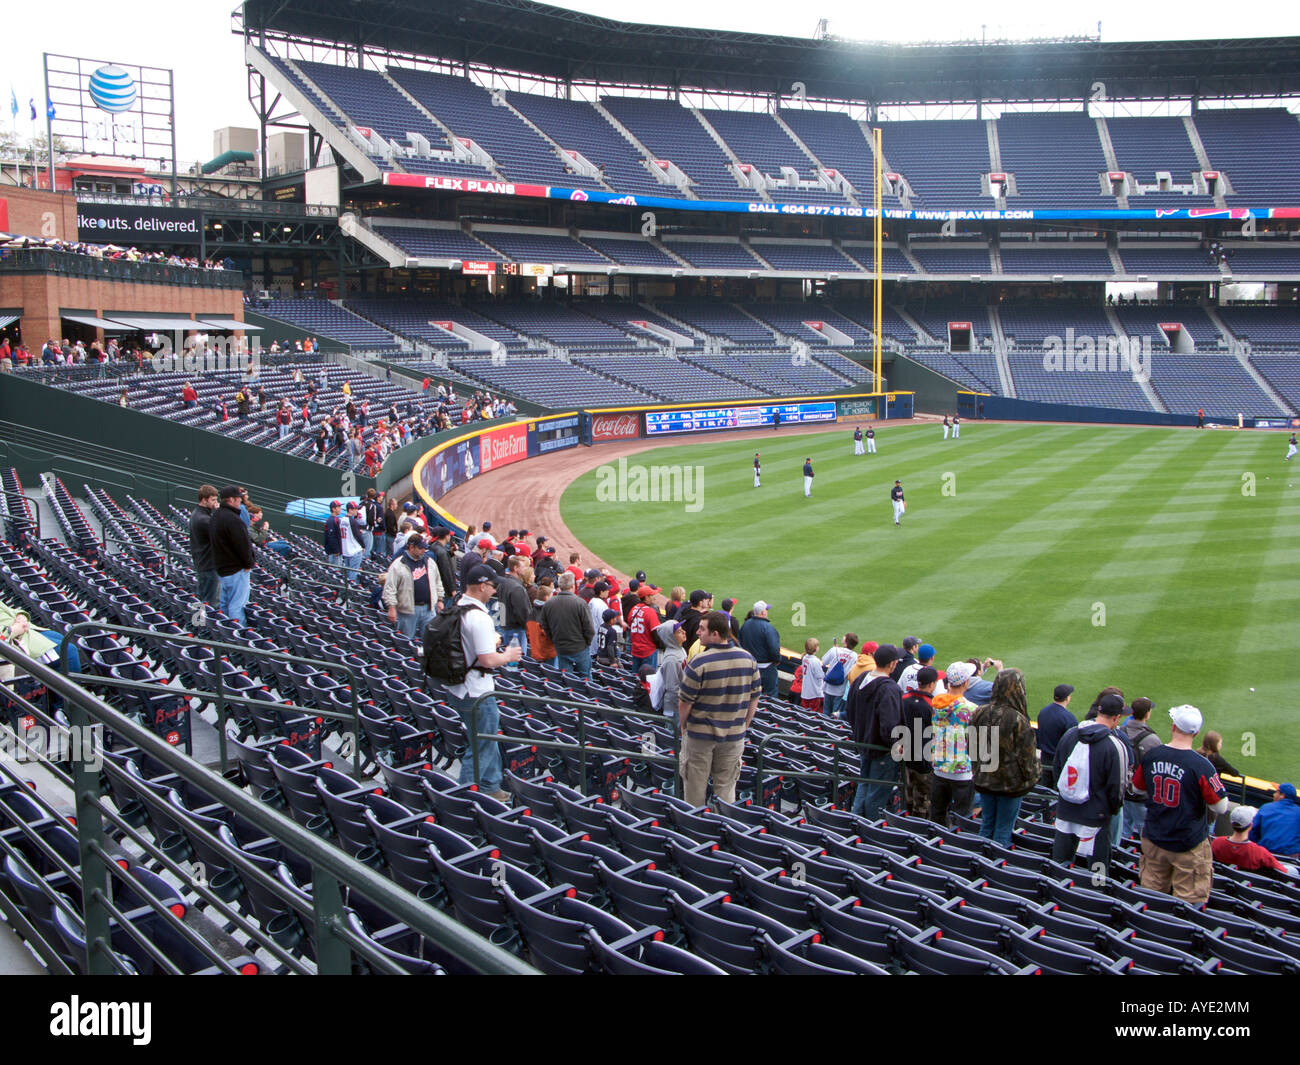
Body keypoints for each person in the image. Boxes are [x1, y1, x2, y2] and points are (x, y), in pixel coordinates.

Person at [1131, 705, 1228, 905]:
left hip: (1155, 837)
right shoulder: (1202, 765)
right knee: (1188, 903)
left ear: (1173, 726)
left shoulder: (1153, 755)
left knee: (1151, 898)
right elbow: (1221, 807)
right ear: (1197, 733)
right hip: (1188, 843)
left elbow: (1137, 789)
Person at [447, 564, 522, 802]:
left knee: (486, 741)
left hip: (459, 687)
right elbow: (488, 659)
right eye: (491, 586)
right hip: (476, 692)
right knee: (481, 745)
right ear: (482, 586)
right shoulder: (479, 616)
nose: (493, 590)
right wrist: (508, 656)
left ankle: (491, 787)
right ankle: (463, 802)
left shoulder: (459, 606)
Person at [677, 612, 761, 807]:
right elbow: (754, 698)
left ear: (715, 634)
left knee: (694, 792)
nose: (697, 633)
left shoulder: (699, 662)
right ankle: (723, 830)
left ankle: (696, 831)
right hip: (733, 737)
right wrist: (744, 725)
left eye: (702, 629)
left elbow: (684, 703)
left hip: (699, 738)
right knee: (726, 791)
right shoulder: (749, 660)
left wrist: (684, 727)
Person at [1050, 692, 1130, 875]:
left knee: (1059, 865)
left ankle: (1058, 895)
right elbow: (1117, 789)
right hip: (1097, 818)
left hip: (1066, 811)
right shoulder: (1115, 745)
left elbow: (1057, 768)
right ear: (1117, 718)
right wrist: (1109, 810)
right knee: (1098, 872)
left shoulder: (1071, 734)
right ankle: (1097, 898)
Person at [972, 668, 1040, 847]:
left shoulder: (980, 712)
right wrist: (1031, 778)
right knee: (1002, 830)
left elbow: (972, 748)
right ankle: (993, 870)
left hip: (985, 781)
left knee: (987, 825)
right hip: (1009, 786)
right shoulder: (1017, 719)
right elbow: (1027, 758)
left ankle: (980, 864)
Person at [845, 643, 903, 819]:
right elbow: (890, 724)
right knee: (875, 794)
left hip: (864, 743)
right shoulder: (889, 688)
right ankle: (868, 830)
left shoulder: (861, 679)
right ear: (892, 664)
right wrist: (896, 745)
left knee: (865, 785)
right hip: (881, 750)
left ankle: (856, 822)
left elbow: (849, 711)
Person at [928, 660, 979, 827]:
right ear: (965, 682)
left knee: (937, 814)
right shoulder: (971, 709)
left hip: (939, 768)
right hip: (962, 771)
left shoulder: (937, 704)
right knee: (962, 817)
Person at [210, 486, 254, 626]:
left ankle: (224, 637)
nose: (240, 500)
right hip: (235, 569)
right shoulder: (232, 519)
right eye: (238, 498)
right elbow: (242, 545)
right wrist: (248, 564)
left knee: (225, 606)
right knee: (236, 607)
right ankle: (239, 642)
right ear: (231, 499)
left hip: (222, 569)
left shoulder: (216, 515)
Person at [1119, 697, 1163, 839]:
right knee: (1145, 835)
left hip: (1121, 790)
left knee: (1122, 831)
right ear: (1147, 714)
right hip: (1141, 795)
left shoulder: (1119, 731)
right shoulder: (1153, 740)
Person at [383, 534, 441, 639]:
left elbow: (437, 582)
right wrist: (391, 607)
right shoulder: (398, 564)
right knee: (405, 641)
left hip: (429, 608)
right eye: (420, 548)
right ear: (411, 547)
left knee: (430, 641)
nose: (423, 550)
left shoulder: (429, 561)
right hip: (408, 610)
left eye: (424, 547)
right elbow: (390, 588)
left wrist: (440, 600)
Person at [899, 666, 936, 818]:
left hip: (904, 755)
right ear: (932, 684)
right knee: (922, 801)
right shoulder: (932, 705)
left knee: (907, 794)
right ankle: (917, 831)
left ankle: (906, 823)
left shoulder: (904, 699)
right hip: (923, 760)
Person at [541, 572, 595, 677]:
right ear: (572, 586)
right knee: (586, 679)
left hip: (561, 647)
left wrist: (554, 640)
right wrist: (586, 643)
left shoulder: (549, 604)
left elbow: (545, 626)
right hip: (580, 648)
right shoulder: (580, 603)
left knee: (567, 680)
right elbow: (589, 629)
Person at [1213, 807, 1293, 875]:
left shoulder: (1217, 843)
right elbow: (1284, 872)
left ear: (1232, 823)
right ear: (1251, 825)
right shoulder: (1259, 852)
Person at [738, 600, 781, 697]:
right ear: (763, 612)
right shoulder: (768, 628)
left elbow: (739, 642)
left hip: (749, 666)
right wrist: (777, 659)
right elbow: (774, 648)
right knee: (770, 696)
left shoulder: (745, 625)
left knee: (751, 695)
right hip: (766, 669)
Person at [1036, 683, 1077, 785]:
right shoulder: (1069, 718)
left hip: (1044, 756)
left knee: (1045, 785)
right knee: (1058, 786)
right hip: (1059, 759)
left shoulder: (1043, 711)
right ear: (1067, 698)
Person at [495, 555, 532, 664]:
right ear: (516, 568)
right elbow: (522, 613)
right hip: (516, 630)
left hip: (505, 626)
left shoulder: (503, 583)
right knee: (517, 662)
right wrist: (528, 627)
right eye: (523, 567)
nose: (525, 569)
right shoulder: (516, 587)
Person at [1249, 783, 1300, 859]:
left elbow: (1253, 834)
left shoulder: (1266, 808)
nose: (1273, 794)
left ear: (1282, 795)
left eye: (1276, 792)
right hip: (1291, 858)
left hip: (1265, 855)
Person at [189, 485, 220, 610]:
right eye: (212, 500)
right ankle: (200, 626)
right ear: (204, 500)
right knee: (208, 602)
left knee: (202, 599)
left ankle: (198, 625)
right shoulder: (203, 519)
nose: (215, 503)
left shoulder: (198, 514)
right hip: (208, 565)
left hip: (204, 563)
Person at [654, 620, 689, 718]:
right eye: (679, 632)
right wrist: (685, 706)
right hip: (675, 709)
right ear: (671, 637)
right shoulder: (671, 659)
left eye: (682, 630)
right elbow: (672, 688)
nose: (684, 632)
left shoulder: (680, 649)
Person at [821, 634, 858, 718]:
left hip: (828, 687)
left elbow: (824, 661)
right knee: (835, 716)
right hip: (840, 690)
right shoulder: (855, 656)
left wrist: (834, 650)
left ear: (845, 642)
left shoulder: (834, 650)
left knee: (825, 712)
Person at [627, 592, 661, 673]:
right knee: (649, 680)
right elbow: (655, 633)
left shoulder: (633, 609)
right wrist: (661, 645)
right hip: (648, 651)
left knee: (636, 678)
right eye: (652, 595)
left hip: (636, 649)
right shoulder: (650, 611)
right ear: (646, 597)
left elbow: (629, 624)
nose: (654, 598)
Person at [340, 502, 365, 584]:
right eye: (355, 509)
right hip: (355, 550)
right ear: (350, 510)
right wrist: (363, 546)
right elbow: (358, 536)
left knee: (347, 573)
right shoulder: (353, 521)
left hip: (346, 550)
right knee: (353, 573)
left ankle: (347, 591)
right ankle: (352, 592)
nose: (357, 510)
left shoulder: (341, 520)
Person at [797, 638, 825, 713]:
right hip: (814, 693)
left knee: (805, 713)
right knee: (814, 714)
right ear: (815, 648)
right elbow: (820, 675)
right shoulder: (815, 661)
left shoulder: (804, 658)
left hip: (805, 692)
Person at [323, 500, 344, 571]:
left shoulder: (334, 519)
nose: (340, 508)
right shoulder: (332, 520)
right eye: (338, 507)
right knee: (335, 571)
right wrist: (336, 550)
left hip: (334, 550)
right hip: (334, 551)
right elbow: (332, 537)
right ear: (333, 509)